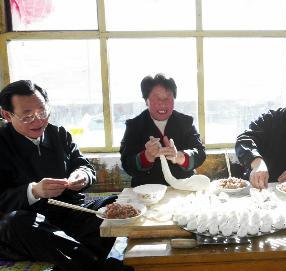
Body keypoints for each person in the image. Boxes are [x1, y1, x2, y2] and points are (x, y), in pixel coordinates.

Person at [0, 80, 123, 271]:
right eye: (27, 116)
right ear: (6, 115)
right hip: (29, 225)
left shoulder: (59, 135)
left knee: (112, 206)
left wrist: (82, 175)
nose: (38, 120)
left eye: (42, 112)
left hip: (67, 215)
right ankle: (96, 265)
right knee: (15, 222)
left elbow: (84, 166)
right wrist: (34, 190)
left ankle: (73, 260)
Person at [120, 73, 206, 187]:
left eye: (168, 98)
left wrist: (179, 157)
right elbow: (126, 163)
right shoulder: (134, 125)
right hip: (147, 192)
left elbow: (200, 153)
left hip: (183, 188)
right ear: (146, 101)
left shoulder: (185, 122)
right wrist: (146, 156)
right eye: (157, 98)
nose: (163, 103)